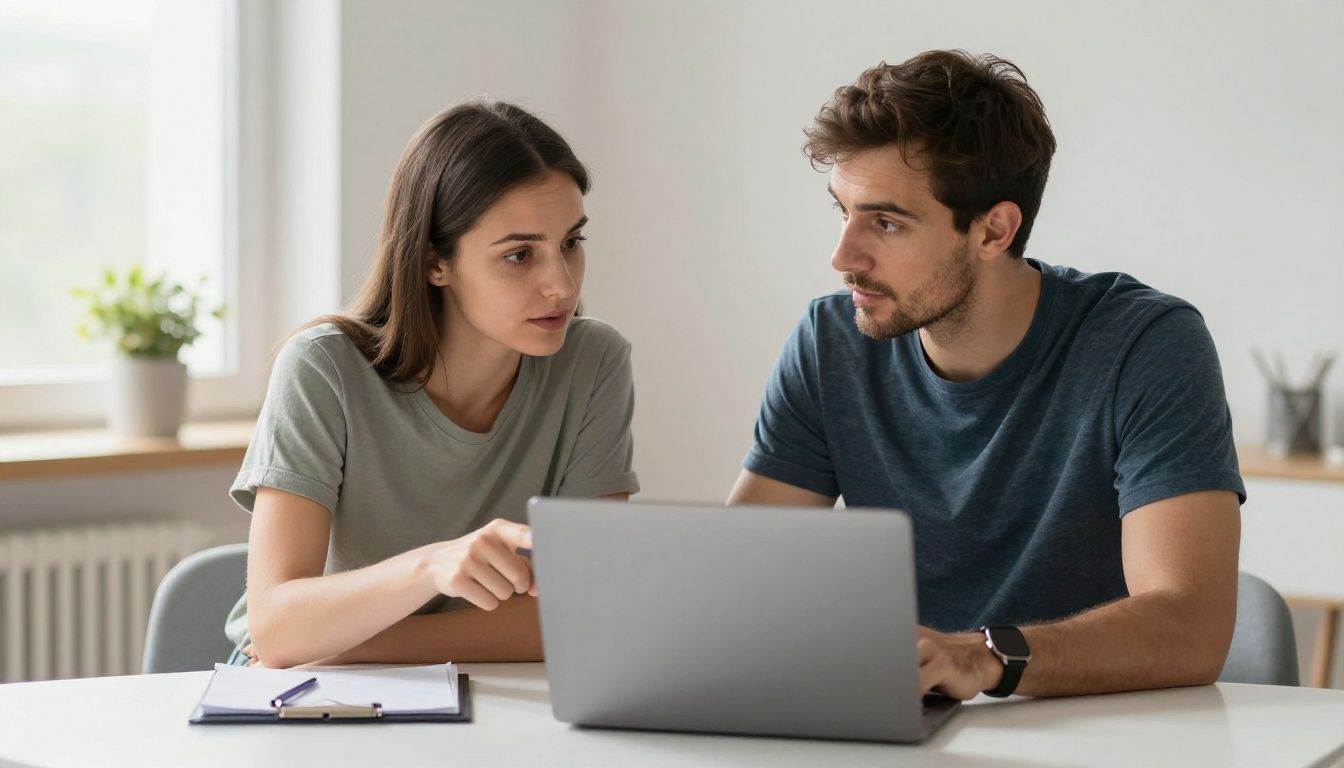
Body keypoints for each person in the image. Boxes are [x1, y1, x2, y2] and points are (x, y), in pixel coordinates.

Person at [728, 50, 1244, 700]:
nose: (842, 256)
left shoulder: (1145, 345)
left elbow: (1192, 628)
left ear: (994, 231)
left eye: (886, 222)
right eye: (842, 211)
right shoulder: (831, 341)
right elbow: (735, 580)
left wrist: (985, 658)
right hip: (906, 719)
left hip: (1100, 726)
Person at [224, 101, 638, 669]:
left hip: (439, 683)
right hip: (319, 698)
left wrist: (345, 645)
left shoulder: (593, 363)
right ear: (434, 262)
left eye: (571, 242)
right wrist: (429, 567)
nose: (561, 286)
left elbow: (589, 611)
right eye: (519, 255)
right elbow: (276, 627)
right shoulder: (324, 369)